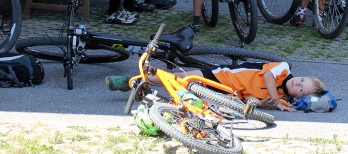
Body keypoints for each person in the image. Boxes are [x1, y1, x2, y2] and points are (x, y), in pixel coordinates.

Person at [106, 60, 325, 112]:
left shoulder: (281, 98)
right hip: (223, 76)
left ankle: (148, 93)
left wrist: (262, 102)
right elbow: (267, 75)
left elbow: (249, 101)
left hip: (228, 95)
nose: (299, 84)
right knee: (179, 77)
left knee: (188, 101)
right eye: (303, 80)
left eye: (301, 90)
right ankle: (132, 81)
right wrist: (275, 99)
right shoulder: (284, 69)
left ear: (297, 96)